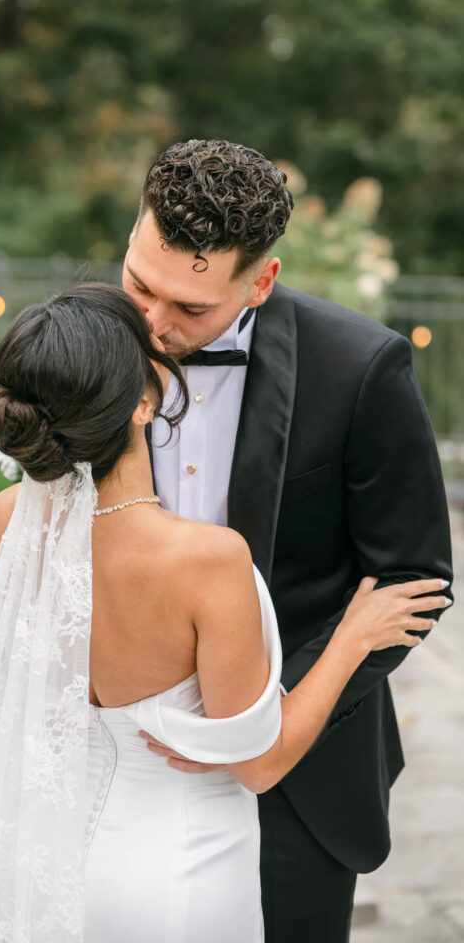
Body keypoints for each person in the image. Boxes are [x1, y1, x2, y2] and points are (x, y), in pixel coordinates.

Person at [0, 284, 450, 943]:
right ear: (144, 401)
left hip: (43, 866)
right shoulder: (204, 562)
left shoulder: (4, 521)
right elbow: (259, 765)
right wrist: (352, 637)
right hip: (176, 875)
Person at [121, 139, 454, 942]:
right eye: (139, 285)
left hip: (296, 773)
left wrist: (264, 718)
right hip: (122, 754)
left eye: (191, 310)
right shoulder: (90, 339)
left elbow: (412, 578)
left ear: (259, 280)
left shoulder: (361, 369)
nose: (154, 326)